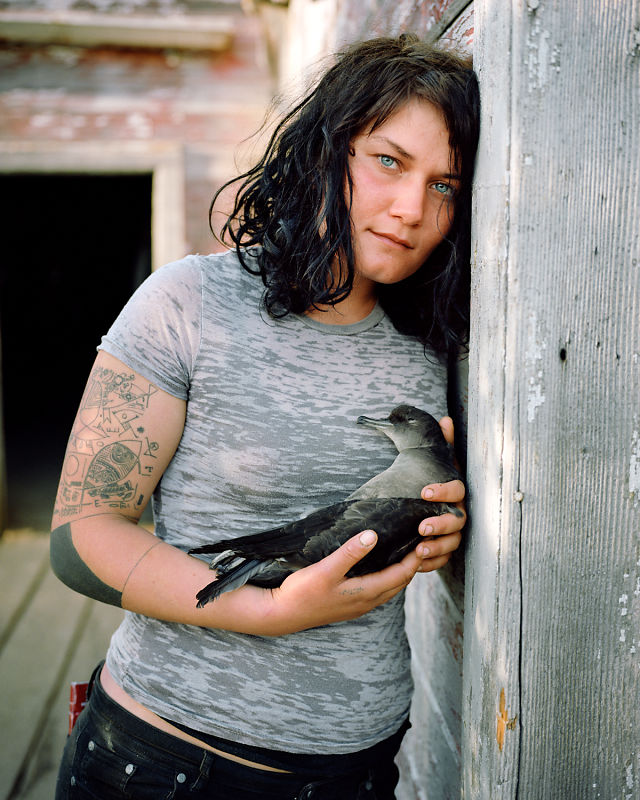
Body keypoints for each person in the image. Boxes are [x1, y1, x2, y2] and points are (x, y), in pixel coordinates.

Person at [51, 32, 479, 799]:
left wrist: (436, 534)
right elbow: (80, 537)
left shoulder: (428, 348)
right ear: (326, 152)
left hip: (363, 771)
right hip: (170, 766)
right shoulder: (187, 303)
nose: (412, 209)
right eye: (389, 162)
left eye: (444, 184)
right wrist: (268, 611)